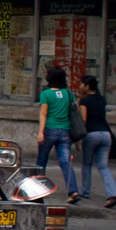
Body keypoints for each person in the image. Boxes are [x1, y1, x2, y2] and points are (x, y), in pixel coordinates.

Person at [37, 66, 81, 201]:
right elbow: (74, 110)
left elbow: (43, 113)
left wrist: (40, 132)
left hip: (50, 129)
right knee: (65, 161)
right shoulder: (69, 94)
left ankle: (38, 189)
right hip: (65, 131)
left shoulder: (46, 94)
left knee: (41, 161)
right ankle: (72, 190)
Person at [78, 75, 116, 208]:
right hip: (106, 135)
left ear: (87, 86)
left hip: (91, 134)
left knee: (87, 164)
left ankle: (84, 191)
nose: (80, 86)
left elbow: (83, 120)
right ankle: (112, 193)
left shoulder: (84, 101)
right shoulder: (102, 100)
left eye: (82, 84)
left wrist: (78, 138)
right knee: (103, 166)